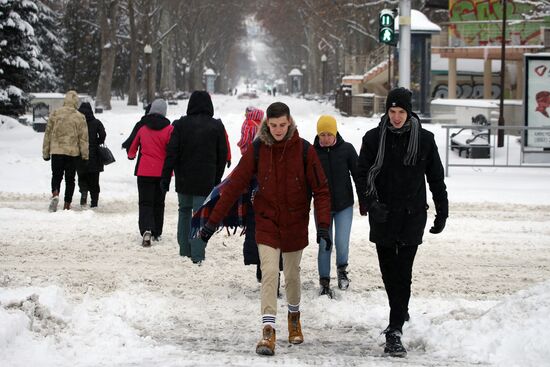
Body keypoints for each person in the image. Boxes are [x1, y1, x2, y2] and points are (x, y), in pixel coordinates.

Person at [198, 102, 331, 356]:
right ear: (266, 125)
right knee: (270, 272)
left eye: (282, 125)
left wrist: (323, 225)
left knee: (291, 275)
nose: (279, 130)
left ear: (289, 122)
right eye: (273, 125)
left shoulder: (304, 150)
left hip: (294, 223)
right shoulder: (259, 149)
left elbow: (321, 190)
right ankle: (268, 331)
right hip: (267, 221)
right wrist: (212, 222)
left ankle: (294, 316)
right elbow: (235, 185)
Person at [356, 87, 448, 358]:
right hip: (382, 214)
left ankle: (394, 329)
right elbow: (362, 175)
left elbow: (436, 179)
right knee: (388, 272)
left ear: (409, 113)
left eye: (401, 112)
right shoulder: (373, 139)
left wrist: (442, 212)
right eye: (392, 111)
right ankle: (400, 308)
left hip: (411, 215)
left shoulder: (425, 140)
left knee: (403, 272)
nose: (396, 117)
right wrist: (371, 203)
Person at [160, 90, 228, 264]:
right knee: (200, 215)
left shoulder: (180, 125)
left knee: (183, 212)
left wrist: (166, 177)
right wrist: (217, 179)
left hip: (184, 178)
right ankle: (197, 254)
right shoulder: (216, 126)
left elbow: (171, 153)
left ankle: (184, 250)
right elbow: (222, 155)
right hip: (206, 179)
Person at [313, 115, 358, 298]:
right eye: (322, 134)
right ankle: (324, 280)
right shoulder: (312, 152)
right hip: (322, 207)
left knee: (341, 241)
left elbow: (358, 175)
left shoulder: (346, 149)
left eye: (329, 134)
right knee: (325, 243)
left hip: (344, 205)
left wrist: (365, 199)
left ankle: (342, 270)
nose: (325, 138)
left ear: (335, 132)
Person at [127, 99, 173, 246]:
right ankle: (157, 231)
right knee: (159, 203)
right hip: (162, 172)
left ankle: (147, 229)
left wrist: (131, 156)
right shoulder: (169, 129)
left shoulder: (143, 128)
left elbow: (132, 149)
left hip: (144, 171)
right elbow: (172, 150)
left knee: (145, 202)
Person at [42, 90, 89, 212]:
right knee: (70, 179)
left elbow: (48, 134)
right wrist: (85, 155)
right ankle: (67, 204)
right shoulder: (80, 117)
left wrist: (46, 153)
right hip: (72, 153)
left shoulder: (55, 114)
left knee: (56, 176)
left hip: (56, 151)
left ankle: (55, 194)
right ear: (76, 102)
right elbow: (83, 138)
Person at [76, 102, 106, 208]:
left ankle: (84, 192)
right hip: (94, 156)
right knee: (94, 179)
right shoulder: (96, 122)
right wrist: (97, 142)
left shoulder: (77, 123)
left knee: (82, 176)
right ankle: (94, 201)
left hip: (80, 155)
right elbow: (103, 134)